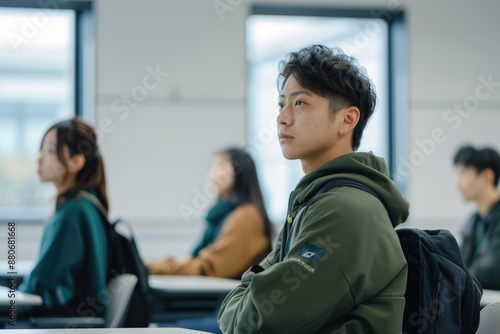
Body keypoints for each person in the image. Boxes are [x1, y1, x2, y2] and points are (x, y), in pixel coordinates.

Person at [217, 45, 410, 333]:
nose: (283, 118)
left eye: (300, 103)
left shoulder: (343, 208)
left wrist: (248, 294)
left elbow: (259, 321)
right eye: (281, 104)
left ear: (347, 119)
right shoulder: (314, 200)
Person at [19, 117, 109, 317]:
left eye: (50, 150)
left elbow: (42, 286)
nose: (40, 157)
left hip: (62, 323)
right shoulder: (86, 205)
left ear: (75, 161)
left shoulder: (71, 212)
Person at [149, 147, 273, 279]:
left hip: (231, 296)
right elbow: (199, 260)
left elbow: (210, 266)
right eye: (212, 167)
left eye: (220, 165)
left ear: (240, 170)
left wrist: (160, 268)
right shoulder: (221, 214)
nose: (212, 173)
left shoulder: (247, 215)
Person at [454, 145, 500, 290]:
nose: (457, 183)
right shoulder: (474, 221)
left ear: (487, 176)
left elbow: (493, 269)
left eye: (463, 173)